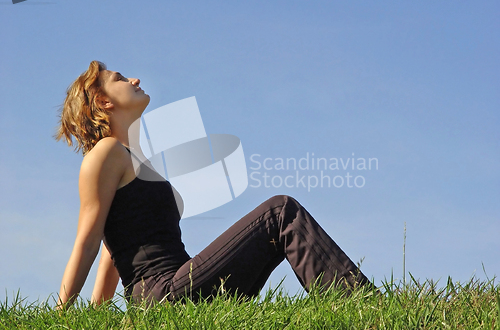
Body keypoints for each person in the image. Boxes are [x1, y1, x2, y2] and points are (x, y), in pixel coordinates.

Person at [55, 61, 374, 308]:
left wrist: (97, 316)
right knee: (280, 213)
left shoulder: (132, 158)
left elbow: (117, 247)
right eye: (120, 79)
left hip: (176, 289)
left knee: (277, 223)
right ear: (102, 100)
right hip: (164, 294)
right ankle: (366, 308)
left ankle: (357, 306)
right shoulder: (105, 153)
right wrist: (62, 322)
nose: (134, 80)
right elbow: (88, 239)